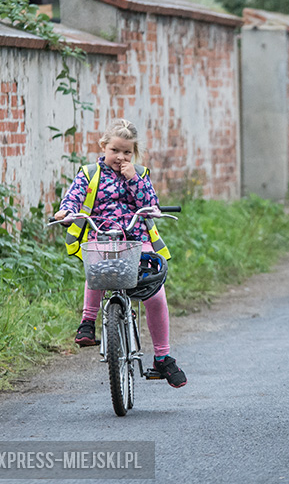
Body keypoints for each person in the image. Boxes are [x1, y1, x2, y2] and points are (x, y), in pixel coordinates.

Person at [54, 119, 187, 388]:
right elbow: (74, 197)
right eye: (115, 150)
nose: (121, 157)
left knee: (155, 294)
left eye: (127, 152)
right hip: (101, 237)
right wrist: (66, 212)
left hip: (137, 241)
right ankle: (87, 322)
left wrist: (134, 180)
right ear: (103, 147)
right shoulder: (90, 173)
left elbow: (151, 205)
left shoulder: (139, 174)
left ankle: (162, 357)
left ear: (134, 153)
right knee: (97, 267)